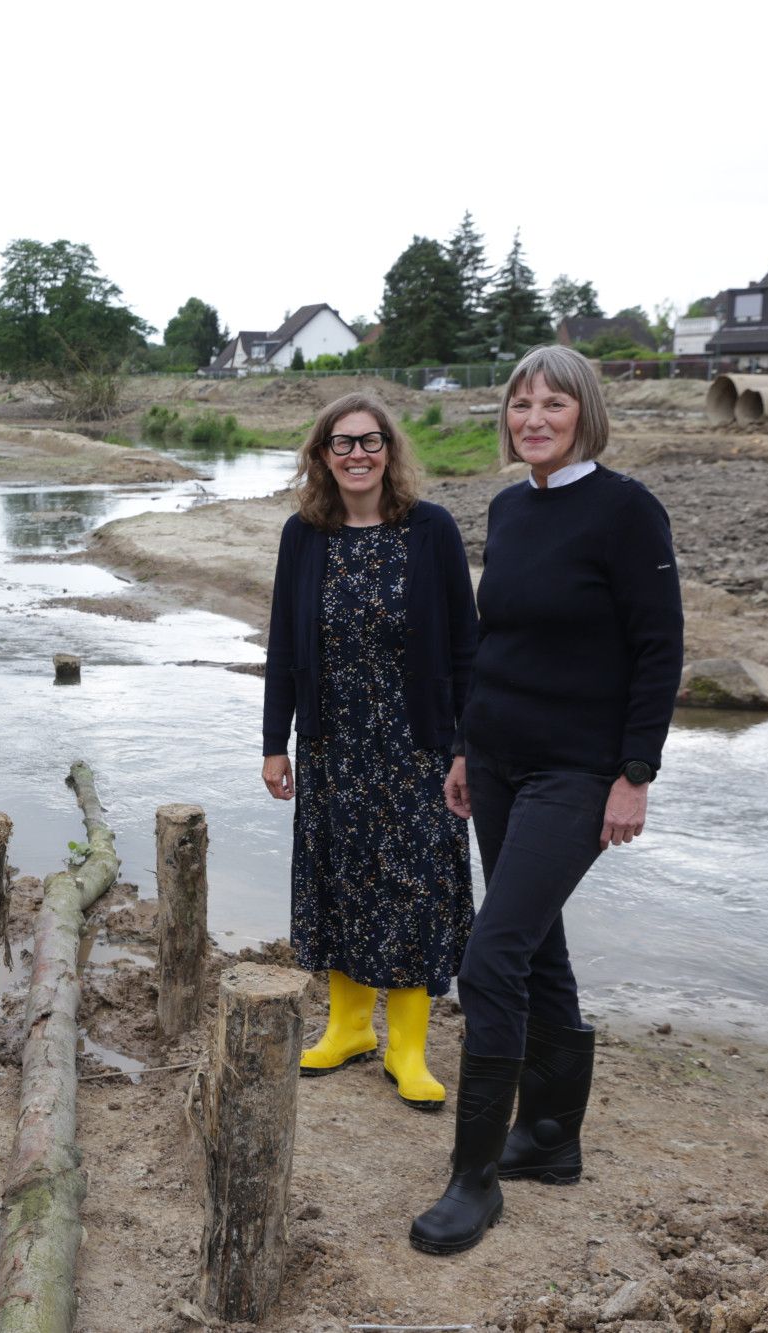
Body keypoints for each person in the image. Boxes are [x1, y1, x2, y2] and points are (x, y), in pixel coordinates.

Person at [410, 345, 682, 1255]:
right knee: (537, 948)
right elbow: (498, 642)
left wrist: (634, 773)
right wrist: (462, 746)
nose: (533, 418)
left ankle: (474, 1177)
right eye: (520, 403)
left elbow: (658, 648)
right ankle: (553, 1137)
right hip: (496, 761)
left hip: (578, 770)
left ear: (584, 413)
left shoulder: (627, 510)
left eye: (552, 404)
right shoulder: (511, 507)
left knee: (491, 953)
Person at [262, 392, 479, 1112]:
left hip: (417, 743)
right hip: (332, 742)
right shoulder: (304, 534)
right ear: (322, 456)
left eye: (370, 441)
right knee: (342, 878)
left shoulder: (432, 530)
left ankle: (407, 1046)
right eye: (341, 443)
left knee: (413, 885)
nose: (357, 455)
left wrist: (465, 744)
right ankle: (350, 1026)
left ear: (391, 449)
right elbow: (285, 647)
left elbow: (466, 645)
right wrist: (275, 743)